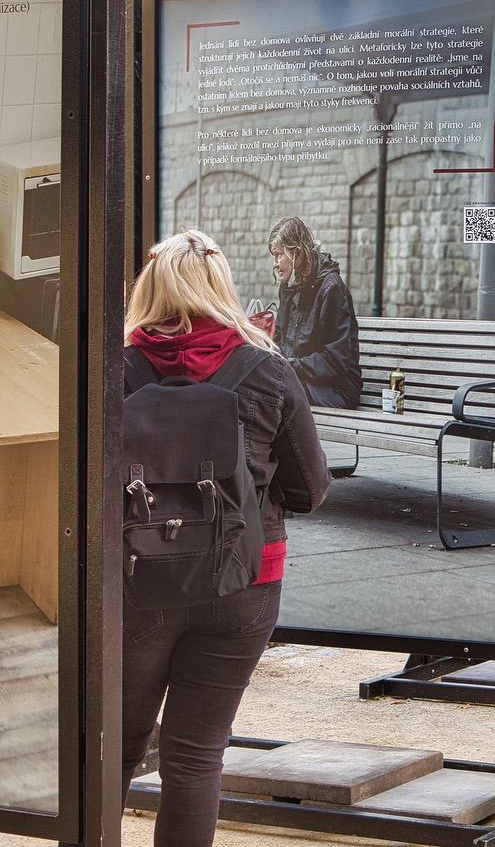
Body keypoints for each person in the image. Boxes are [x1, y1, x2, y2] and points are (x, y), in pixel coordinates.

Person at [123, 230, 331, 846]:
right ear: (223, 286)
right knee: (195, 755)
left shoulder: (113, 367)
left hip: (136, 582)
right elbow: (310, 489)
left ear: (149, 288)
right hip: (244, 582)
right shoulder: (267, 369)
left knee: (115, 744)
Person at [267, 216, 361, 408]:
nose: (276, 263)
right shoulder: (288, 286)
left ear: (297, 253)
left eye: (279, 255)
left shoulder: (331, 288)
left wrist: (288, 367)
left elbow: (336, 361)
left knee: (275, 396)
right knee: (257, 387)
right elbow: (280, 340)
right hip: (299, 381)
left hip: (336, 389)